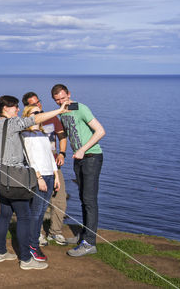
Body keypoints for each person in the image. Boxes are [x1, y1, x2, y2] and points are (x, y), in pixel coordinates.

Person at [0, 95, 69, 270]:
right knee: (24, 216)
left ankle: (1, 252)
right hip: (12, 174)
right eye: (15, 107)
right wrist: (60, 110)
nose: (18, 110)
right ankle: (26, 259)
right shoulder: (11, 124)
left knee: (5, 213)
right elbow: (34, 119)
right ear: (6, 108)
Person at [51, 84, 106, 257]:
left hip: (91, 157)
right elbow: (64, 135)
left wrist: (83, 149)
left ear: (69, 94)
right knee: (83, 198)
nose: (61, 102)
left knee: (89, 200)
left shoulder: (81, 108)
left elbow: (100, 131)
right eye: (57, 100)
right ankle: (84, 235)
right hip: (79, 159)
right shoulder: (62, 112)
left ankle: (90, 243)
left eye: (63, 98)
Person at [22, 91, 68, 246]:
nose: (38, 105)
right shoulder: (26, 125)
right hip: (37, 170)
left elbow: (62, 136)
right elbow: (29, 155)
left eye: (38, 101)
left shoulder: (51, 118)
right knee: (37, 204)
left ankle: (55, 232)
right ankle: (38, 235)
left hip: (53, 166)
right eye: (33, 103)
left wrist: (62, 153)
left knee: (60, 200)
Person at [21, 105, 60, 263]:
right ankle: (32, 245)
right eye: (35, 113)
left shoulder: (44, 134)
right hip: (40, 176)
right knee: (36, 213)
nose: (39, 115)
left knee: (42, 212)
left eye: (40, 112)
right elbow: (30, 158)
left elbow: (50, 156)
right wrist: (39, 177)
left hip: (50, 175)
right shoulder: (26, 135)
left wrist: (56, 175)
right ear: (28, 116)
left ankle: (34, 243)